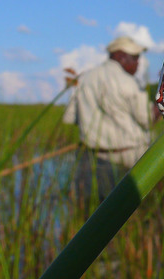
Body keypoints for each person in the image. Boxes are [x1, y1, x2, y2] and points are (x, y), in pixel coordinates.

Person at [63, 36, 158, 202]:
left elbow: (70, 117)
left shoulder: (84, 79)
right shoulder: (129, 82)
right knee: (128, 212)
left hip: (92, 160)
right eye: (135, 58)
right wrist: (163, 105)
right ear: (120, 56)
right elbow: (148, 119)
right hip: (128, 161)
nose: (138, 63)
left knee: (94, 212)